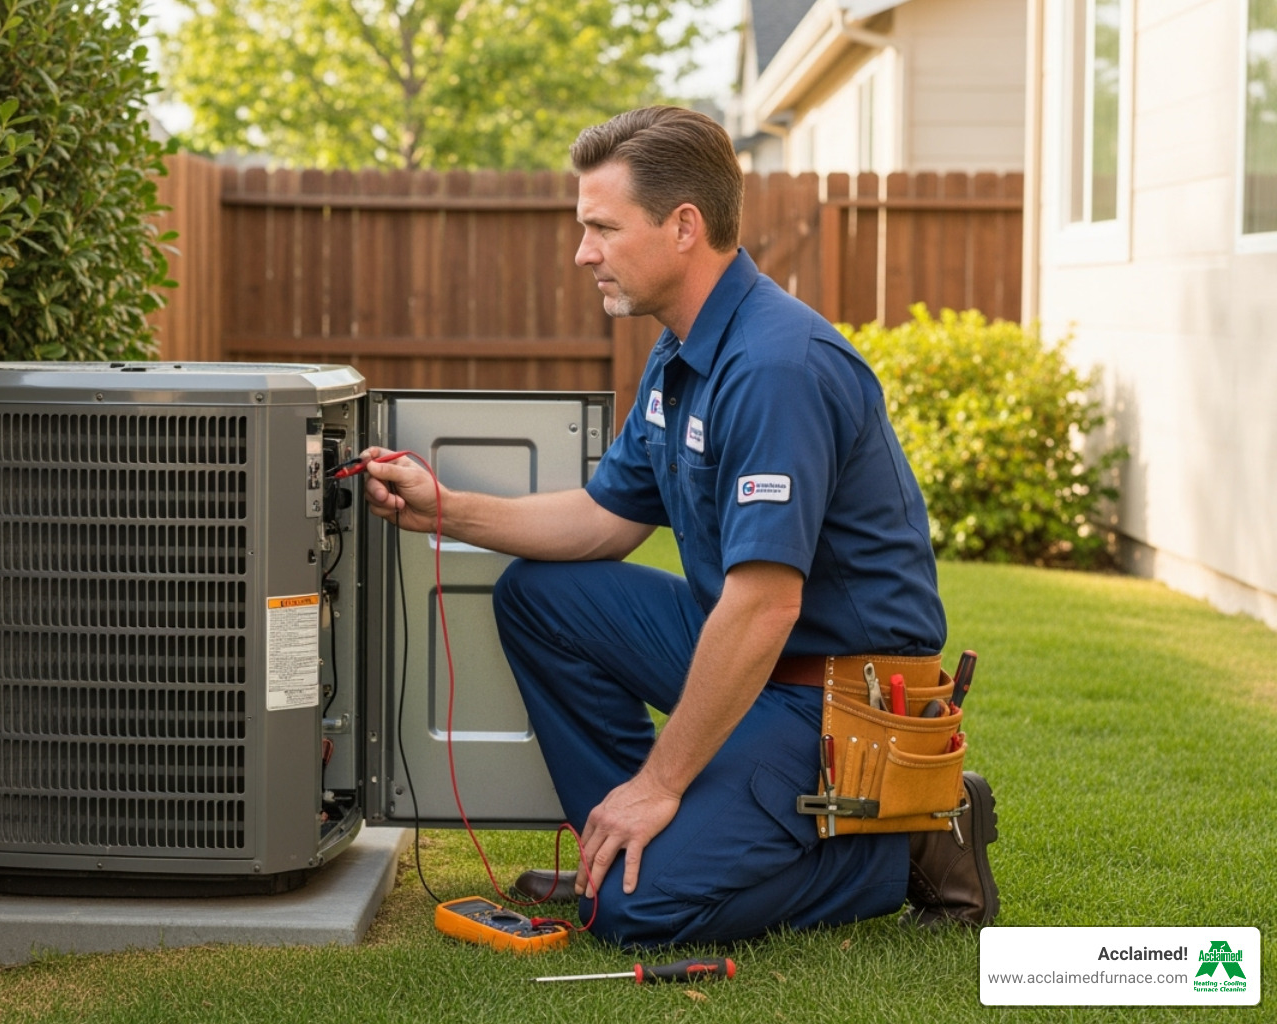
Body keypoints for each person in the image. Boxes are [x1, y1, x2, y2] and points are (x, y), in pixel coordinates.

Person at [359, 106, 998, 948]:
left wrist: (662, 781)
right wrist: (446, 509)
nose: (584, 252)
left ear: (683, 227)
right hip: (753, 656)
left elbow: (765, 606)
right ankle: (612, 848)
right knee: (541, 596)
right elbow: (603, 520)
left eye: (601, 228)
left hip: (836, 696)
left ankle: (908, 843)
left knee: (636, 914)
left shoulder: (776, 367)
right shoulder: (682, 350)